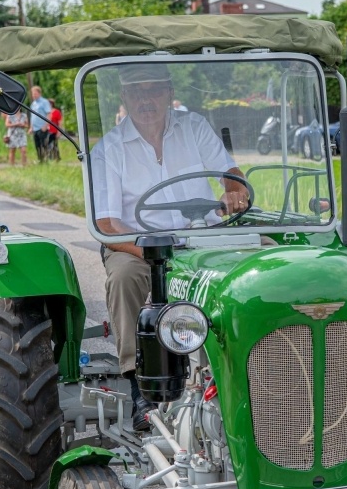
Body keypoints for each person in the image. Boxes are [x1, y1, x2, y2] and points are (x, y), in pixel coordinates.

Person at [92, 61, 248, 429]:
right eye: (137, 92)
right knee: (125, 279)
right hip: (137, 247)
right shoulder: (109, 149)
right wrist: (154, 251)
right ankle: (139, 384)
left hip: (201, 238)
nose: (146, 99)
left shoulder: (193, 126)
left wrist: (234, 192)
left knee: (262, 260)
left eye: (154, 90)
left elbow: (232, 177)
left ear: (169, 92)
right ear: (124, 97)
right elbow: (107, 225)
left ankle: (253, 368)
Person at [30, 85, 52, 161]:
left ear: (39, 93)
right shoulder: (33, 104)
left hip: (42, 127)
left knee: (44, 144)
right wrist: (31, 127)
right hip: (35, 128)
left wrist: (46, 125)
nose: (33, 95)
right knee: (37, 145)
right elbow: (32, 116)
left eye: (35, 93)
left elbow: (49, 114)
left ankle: (46, 159)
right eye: (33, 94)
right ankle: (40, 159)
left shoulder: (44, 102)